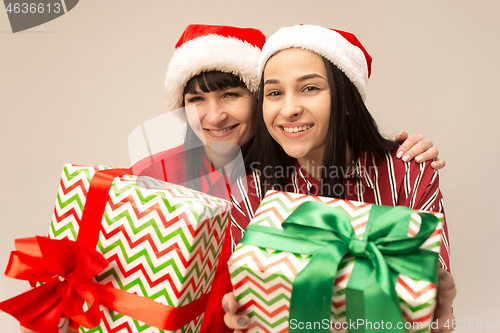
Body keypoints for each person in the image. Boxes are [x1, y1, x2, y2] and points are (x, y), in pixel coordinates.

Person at [20, 24, 446, 333]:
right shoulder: (173, 178)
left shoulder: (398, 173)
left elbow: (430, 303)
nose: (214, 115)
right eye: (196, 100)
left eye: (231, 95)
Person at [223, 24, 456, 333]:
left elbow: (433, 313)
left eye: (310, 88)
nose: (289, 109)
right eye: (275, 93)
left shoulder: (408, 175)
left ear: (347, 101)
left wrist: (442, 315)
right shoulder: (249, 193)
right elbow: (250, 302)